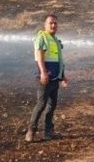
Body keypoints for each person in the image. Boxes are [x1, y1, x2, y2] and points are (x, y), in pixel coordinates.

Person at [25, 14, 68, 142]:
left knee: (52, 105)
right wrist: (43, 73)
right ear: (45, 25)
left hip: (55, 78)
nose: (53, 25)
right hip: (44, 78)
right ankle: (31, 131)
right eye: (51, 23)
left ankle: (48, 131)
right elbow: (40, 57)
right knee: (41, 104)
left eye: (55, 23)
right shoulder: (42, 37)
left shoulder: (55, 40)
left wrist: (63, 76)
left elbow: (59, 60)